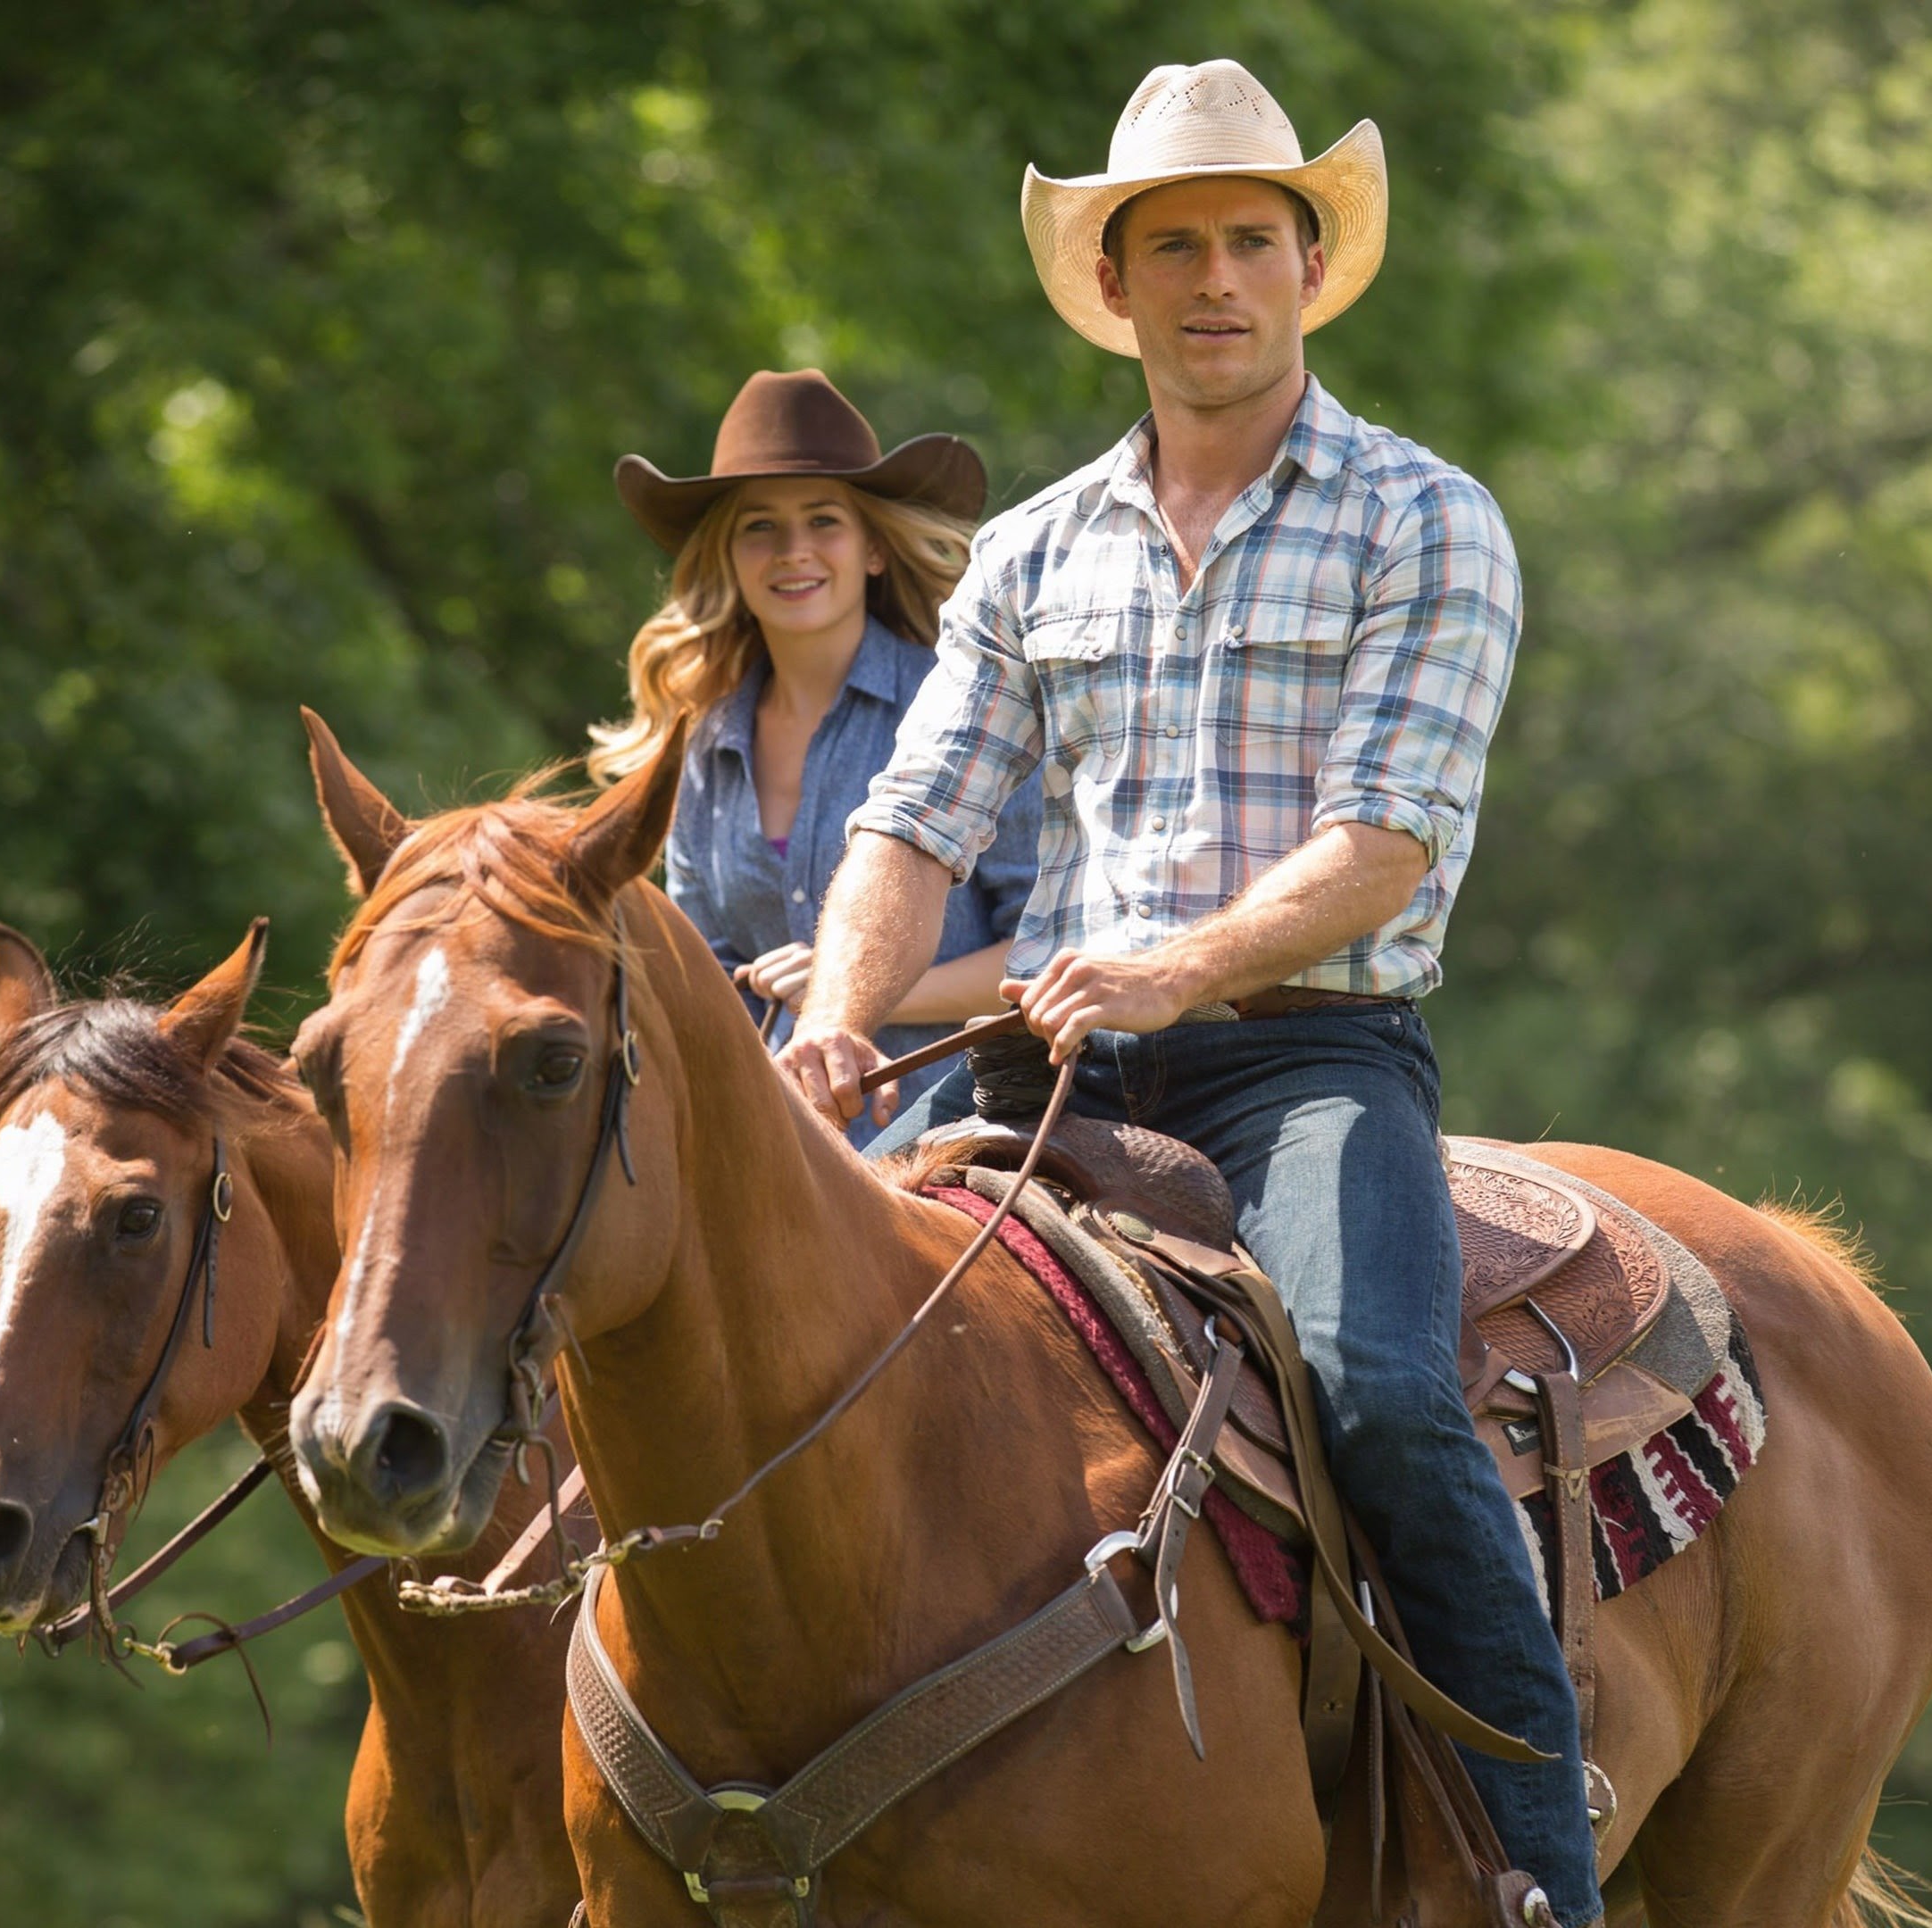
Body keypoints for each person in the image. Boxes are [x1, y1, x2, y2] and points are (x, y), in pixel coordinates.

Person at [773, 61, 1603, 1924]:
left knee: (1383, 1392)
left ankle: (1536, 1871)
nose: (1214, 277)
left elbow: (1383, 845)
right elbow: (914, 818)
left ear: (1310, 269)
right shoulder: (1032, 552)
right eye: (1174, 248)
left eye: (1250, 240)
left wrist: (1182, 963)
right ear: (1118, 289)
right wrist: (842, 1011)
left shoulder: (1424, 519)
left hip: (1302, 1061)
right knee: (779, 1334)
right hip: (1058, 1060)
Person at [592, 369, 1042, 1145]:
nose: (793, 551)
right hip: (776, 1151)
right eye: (759, 526)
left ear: (872, 548)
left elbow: (1046, 955)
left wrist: (849, 996)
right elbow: (704, 985)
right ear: (729, 557)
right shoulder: (702, 746)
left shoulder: (967, 705)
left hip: (964, 1135)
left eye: (824, 521)